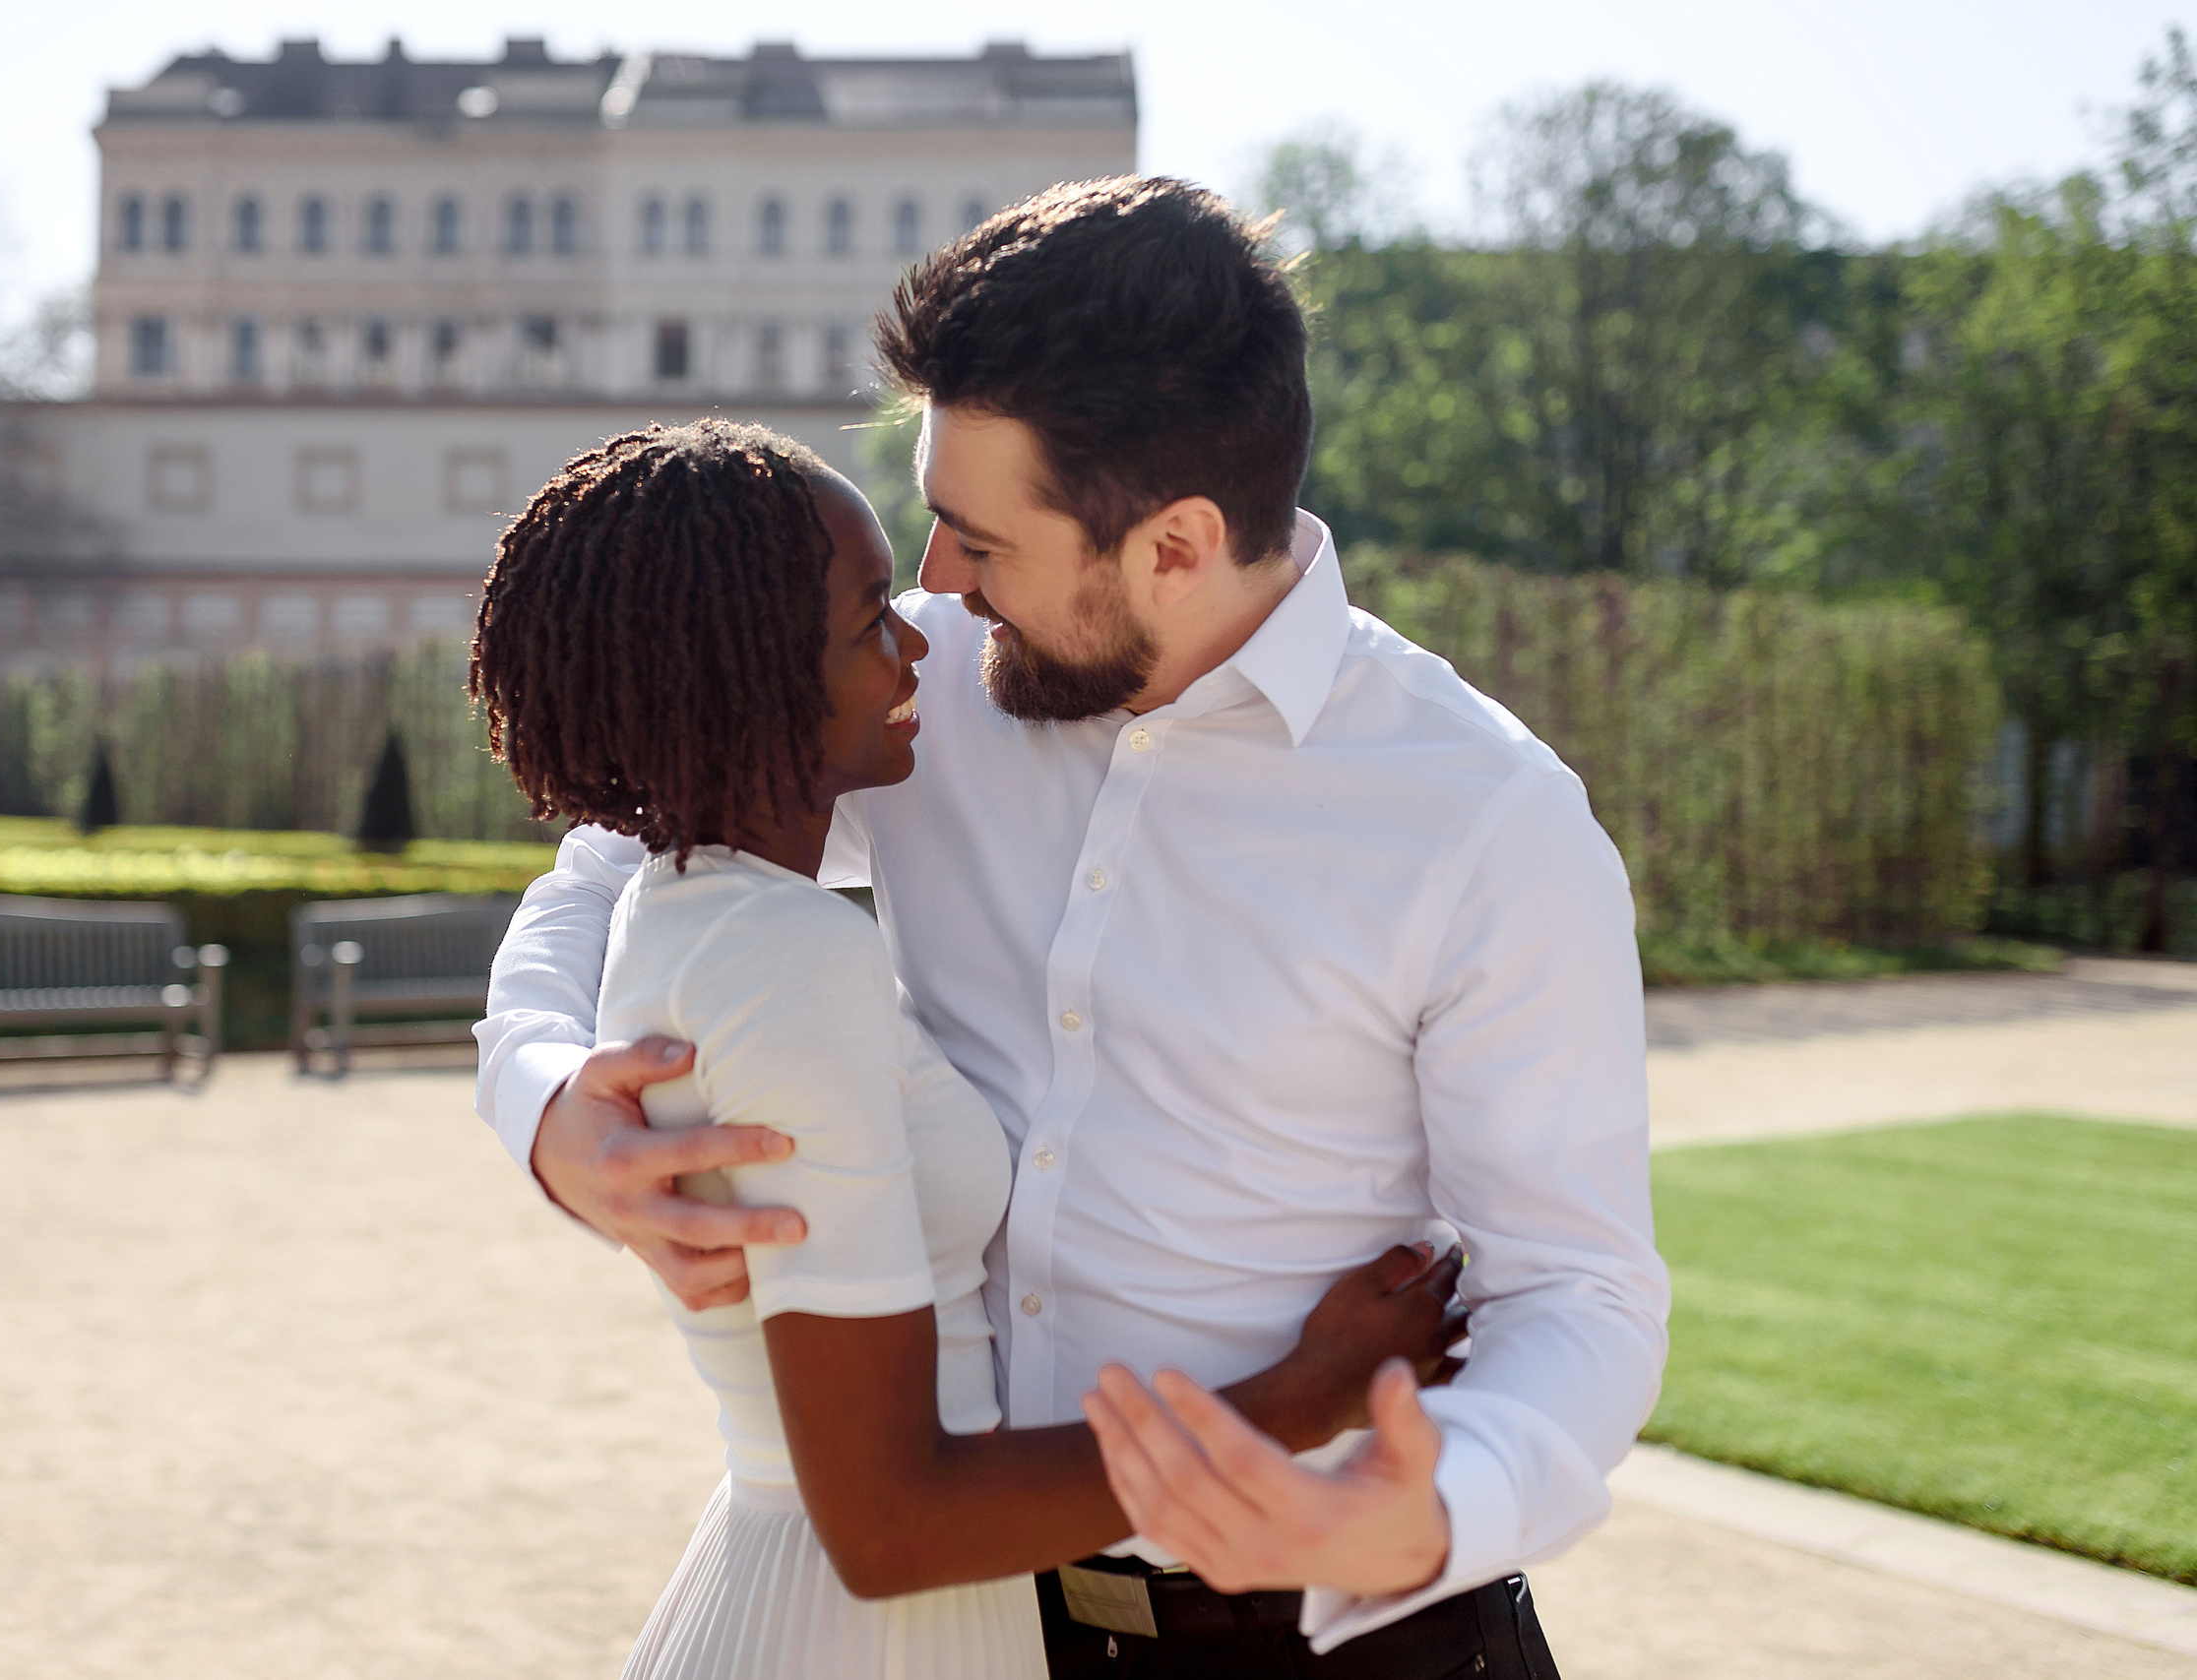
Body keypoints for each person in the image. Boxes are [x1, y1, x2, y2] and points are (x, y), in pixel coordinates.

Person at [479, 177, 1670, 1676]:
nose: (934, 584)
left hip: (1349, 1636)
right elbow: (609, 865)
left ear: (1172, 544)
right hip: (992, 1623)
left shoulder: (1484, 817)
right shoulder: (921, 697)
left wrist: (1430, 1507)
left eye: (980, 538)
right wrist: (542, 1104)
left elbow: (1578, 1290)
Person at [467, 418, 1467, 1679]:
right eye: (870, 614)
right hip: (863, 1627)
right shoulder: (788, 957)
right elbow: (891, 1522)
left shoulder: (709, 908)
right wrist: (1295, 1402)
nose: (918, 645)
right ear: (747, 681)